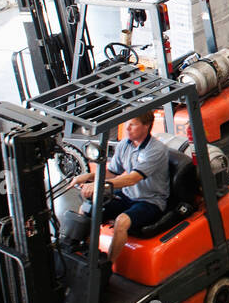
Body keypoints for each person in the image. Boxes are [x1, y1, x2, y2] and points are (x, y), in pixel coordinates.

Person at [69, 111, 170, 266]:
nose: (127, 128)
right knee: (88, 207)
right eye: (126, 124)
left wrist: (98, 186)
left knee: (121, 222)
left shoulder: (155, 150)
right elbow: (112, 172)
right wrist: (88, 176)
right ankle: (85, 254)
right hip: (128, 195)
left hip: (149, 200)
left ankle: (107, 266)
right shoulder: (125, 144)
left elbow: (132, 179)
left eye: (133, 124)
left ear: (146, 126)